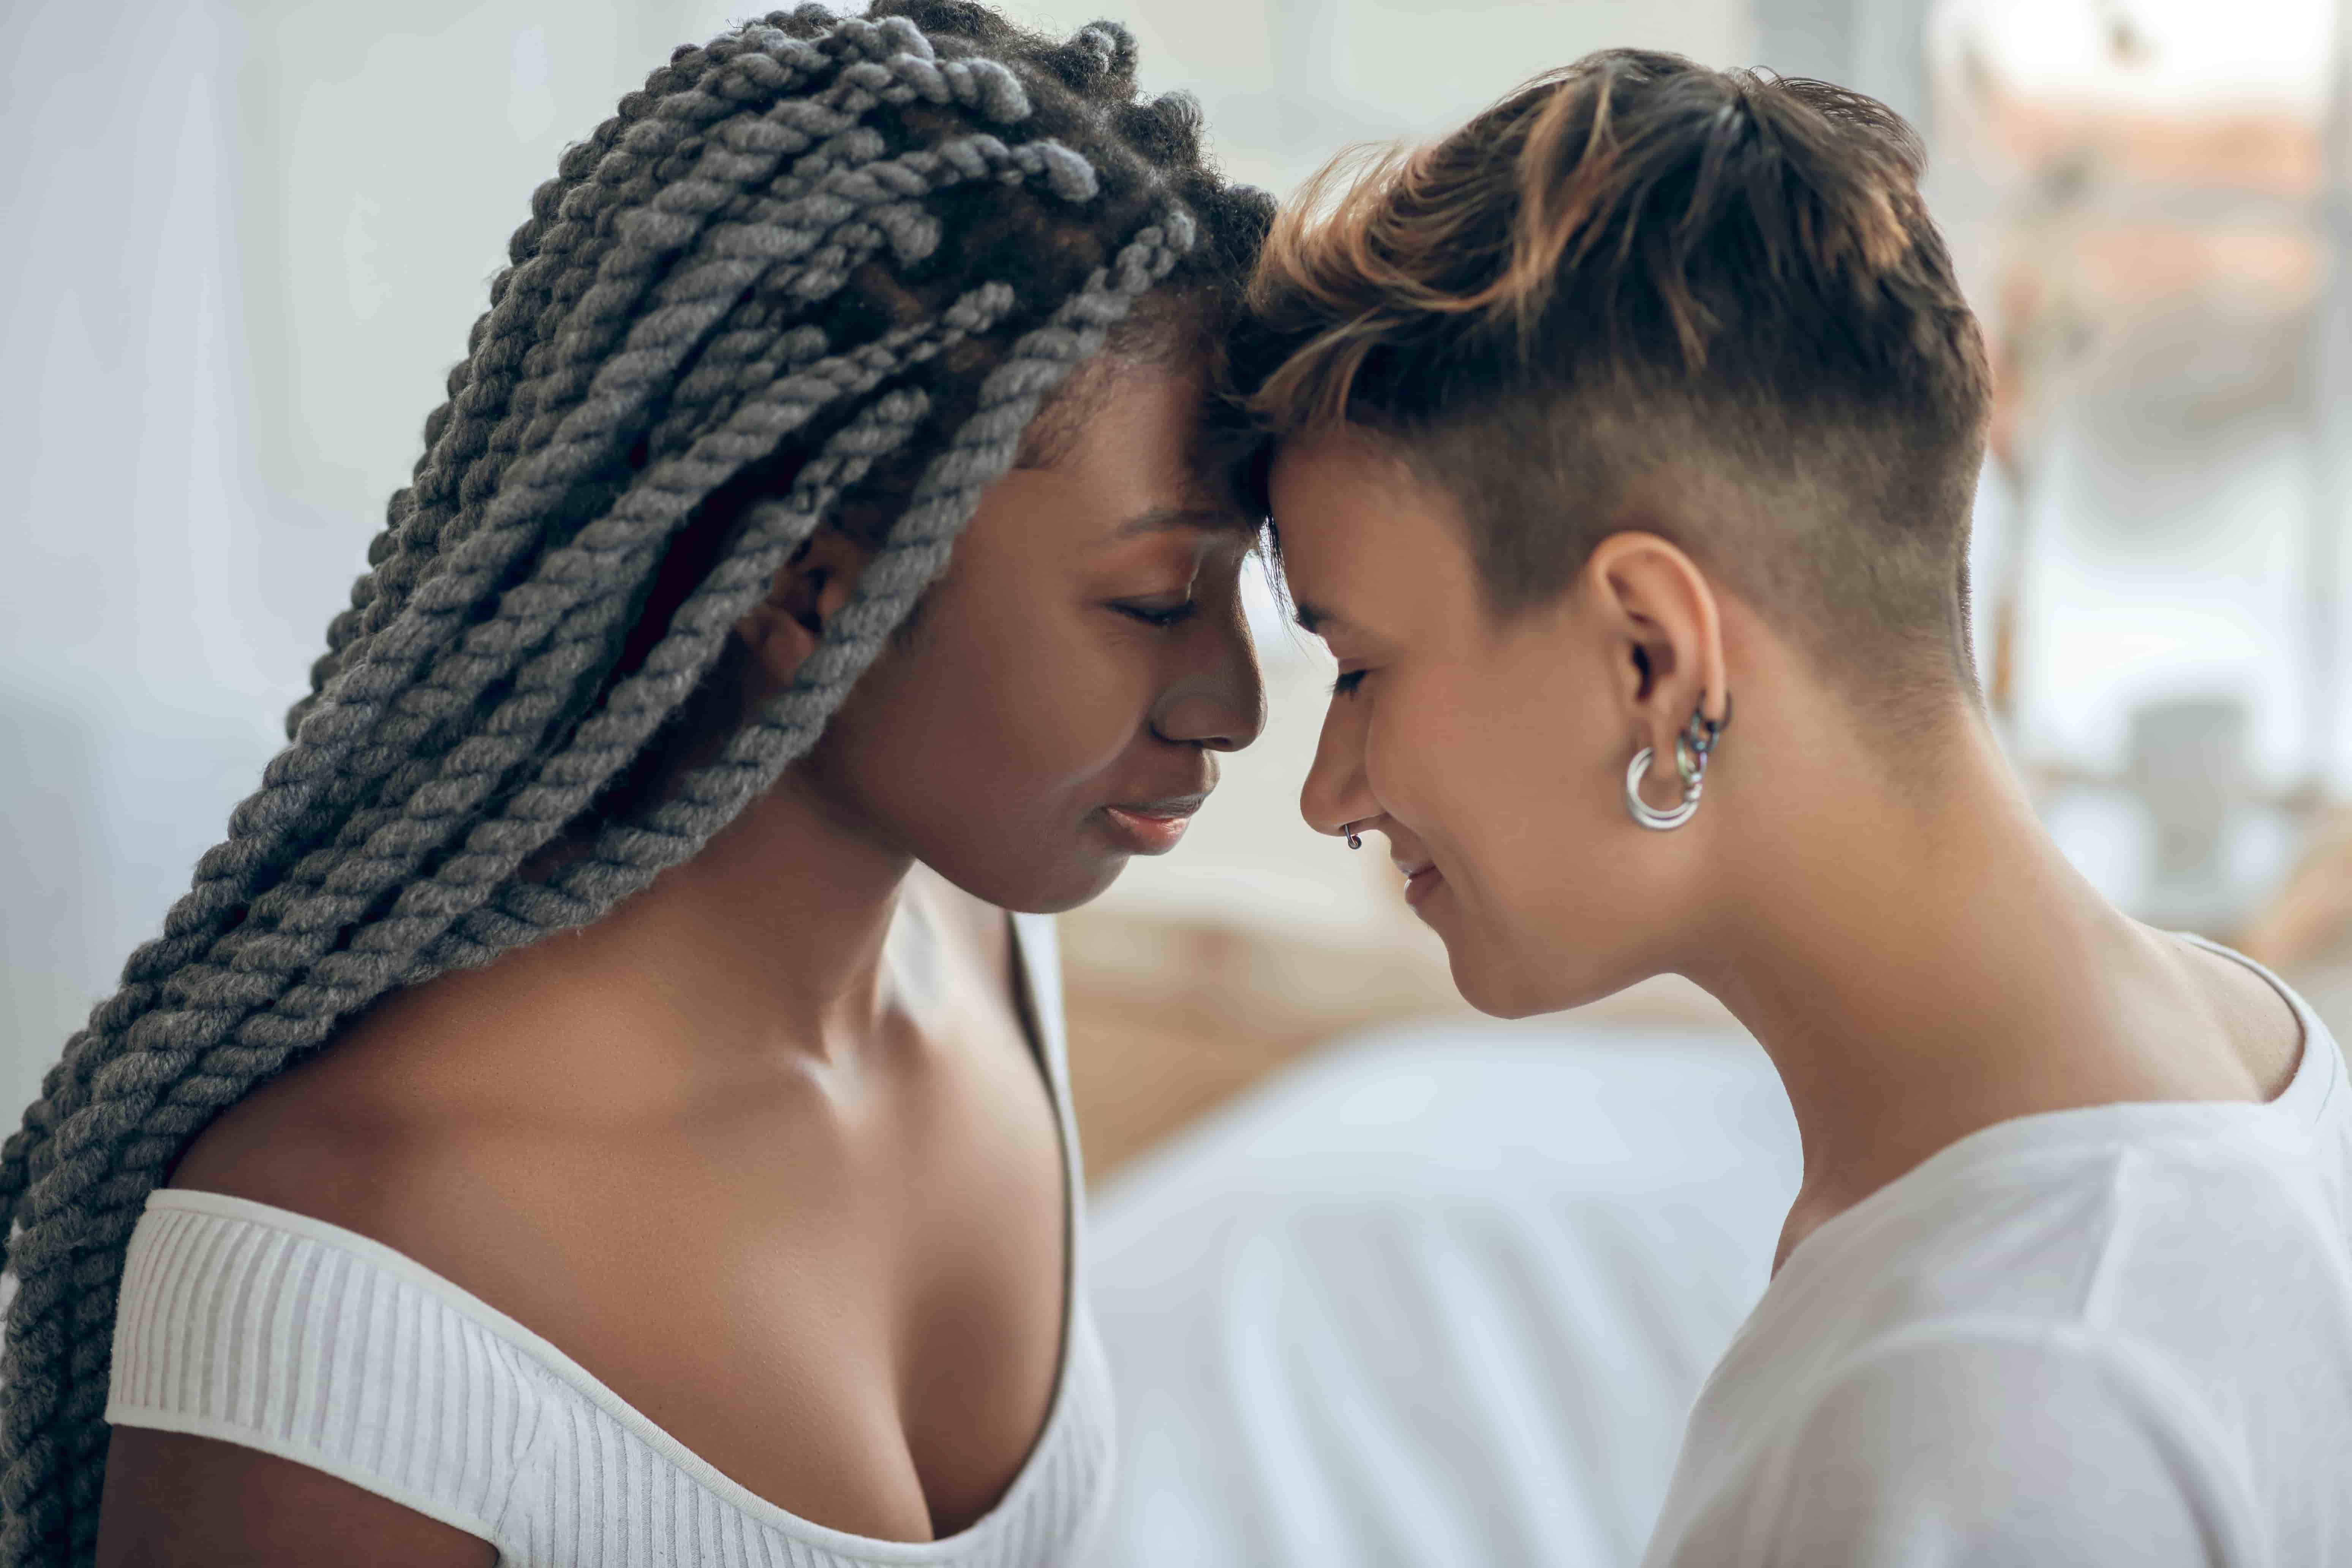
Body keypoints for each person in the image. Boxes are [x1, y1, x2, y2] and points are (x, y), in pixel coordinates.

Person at [0, 6, 1272, 1564]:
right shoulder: (347, 1253)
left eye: (1248, 590)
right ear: (810, 592)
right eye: (1156, 602)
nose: (1235, 702)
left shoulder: (998, 954)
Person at [1236, 49, 2352, 1565]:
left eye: (1361, 668)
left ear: (1653, 658)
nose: (1330, 792)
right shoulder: (2248, 1060)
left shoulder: (2003, 1416)